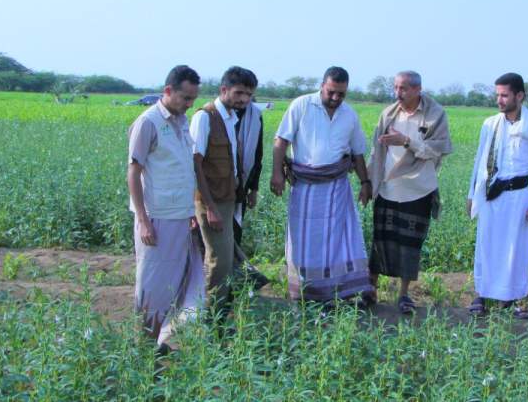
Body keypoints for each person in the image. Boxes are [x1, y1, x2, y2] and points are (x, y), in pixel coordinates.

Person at [270, 66, 374, 305]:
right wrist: (276, 173)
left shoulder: (349, 114)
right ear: (322, 86)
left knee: (338, 239)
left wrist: (365, 182)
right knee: (304, 239)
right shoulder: (302, 105)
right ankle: (305, 292)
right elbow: (280, 141)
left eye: (341, 94)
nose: (336, 98)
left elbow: (357, 153)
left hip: (337, 187)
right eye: (331, 92)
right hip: (304, 186)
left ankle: (338, 291)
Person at [127, 65, 205, 353]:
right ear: (168, 91)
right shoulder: (147, 123)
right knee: (153, 283)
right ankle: (143, 344)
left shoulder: (182, 121)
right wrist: (144, 222)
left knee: (177, 280)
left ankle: (160, 339)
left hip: (179, 216)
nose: (189, 105)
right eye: (185, 98)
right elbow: (134, 172)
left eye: (192, 100)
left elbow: (184, 169)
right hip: (156, 219)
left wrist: (191, 213)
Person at [366, 71, 453, 313]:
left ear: (417, 89)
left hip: (418, 189)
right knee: (380, 241)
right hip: (387, 187)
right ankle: (371, 288)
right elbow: (376, 151)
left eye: (403, 88)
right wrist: (369, 183)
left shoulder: (435, 115)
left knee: (409, 244)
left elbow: (435, 150)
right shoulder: (388, 113)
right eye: (395, 87)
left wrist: (406, 141)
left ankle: (403, 295)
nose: (398, 93)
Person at [466, 73, 528, 318]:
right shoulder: (490, 124)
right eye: (497, 95)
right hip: (490, 193)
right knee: (486, 244)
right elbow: (480, 161)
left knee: (516, 248)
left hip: (518, 197)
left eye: (504, 95)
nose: (499, 100)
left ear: (519, 96)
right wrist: (472, 194)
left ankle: (512, 298)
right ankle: (480, 294)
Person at [190, 66, 266, 316]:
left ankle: (221, 309)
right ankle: (214, 318)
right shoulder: (205, 117)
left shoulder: (231, 118)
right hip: (212, 201)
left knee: (226, 256)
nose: (244, 99)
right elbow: (195, 164)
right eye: (239, 93)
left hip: (227, 198)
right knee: (218, 261)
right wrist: (209, 207)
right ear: (224, 90)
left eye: (248, 94)